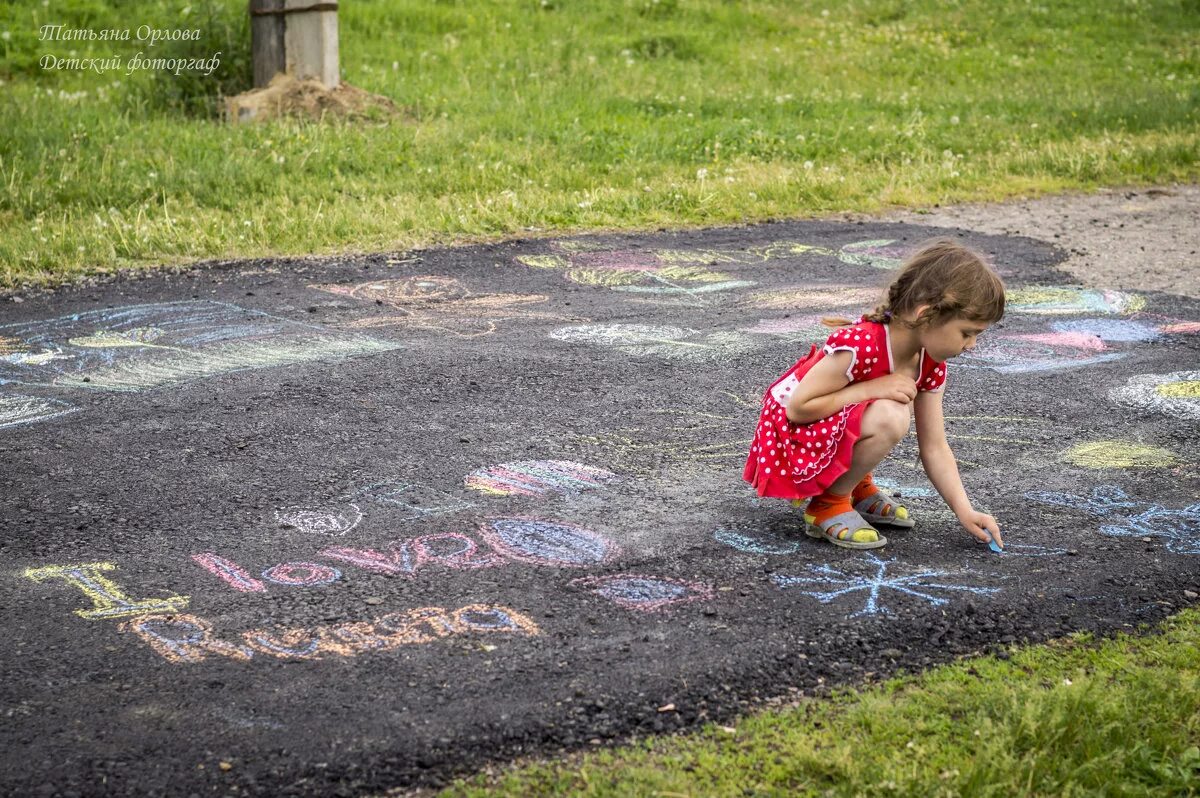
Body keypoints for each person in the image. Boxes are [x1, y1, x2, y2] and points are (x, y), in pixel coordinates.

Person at [743, 238, 1006, 550]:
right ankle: (828, 503)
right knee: (891, 414)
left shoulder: (930, 362)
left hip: (826, 427)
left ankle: (855, 486)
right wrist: (871, 388)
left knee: (894, 402)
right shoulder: (860, 345)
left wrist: (965, 510)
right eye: (967, 333)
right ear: (926, 315)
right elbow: (798, 409)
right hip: (789, 436)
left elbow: (934, 446)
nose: (971, 345)